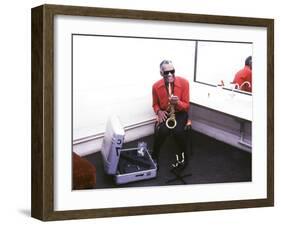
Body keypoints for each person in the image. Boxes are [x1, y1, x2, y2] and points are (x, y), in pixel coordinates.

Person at [152, 60, 190, 168]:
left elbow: (187, 106)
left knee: (178, 131)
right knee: (162, 132)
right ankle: (154, 156)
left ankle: (184, 156)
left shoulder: (184, 83)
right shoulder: (155, 86)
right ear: (161, 73)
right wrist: (159, 112)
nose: (169, 74)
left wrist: (178, 102)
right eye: (166, 72)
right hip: (166, 113)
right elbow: (155, 104)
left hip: (180, 112)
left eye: (172, 71)